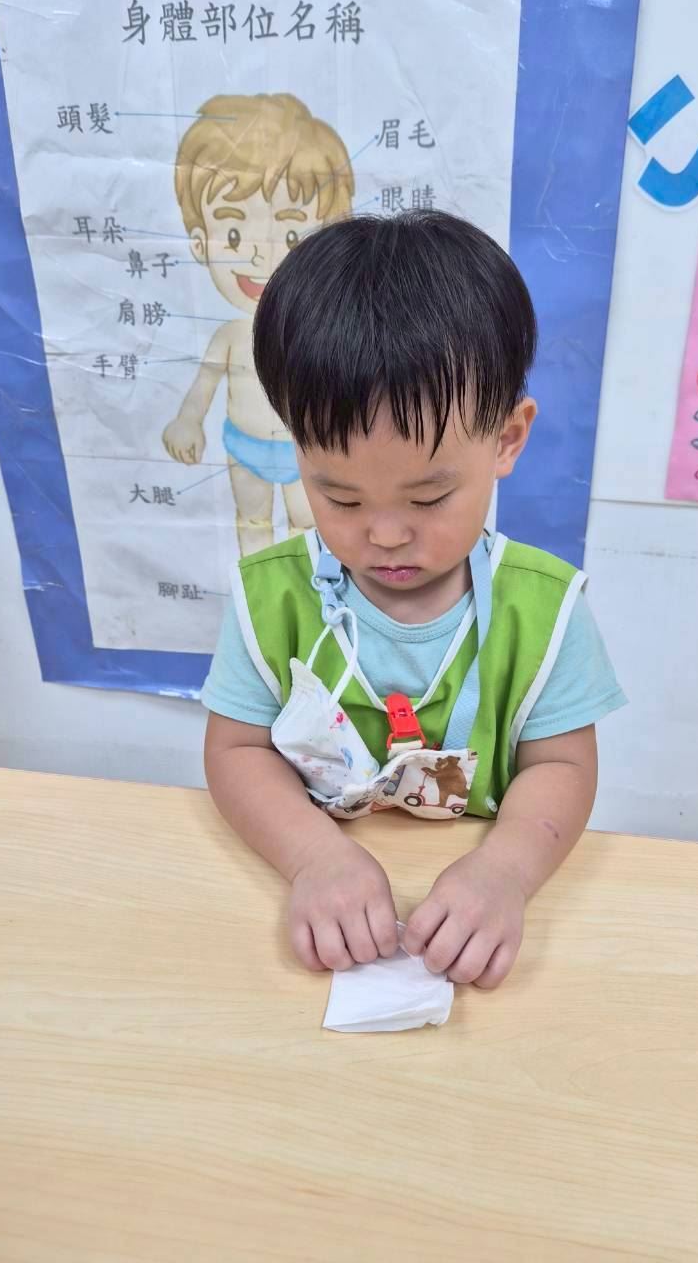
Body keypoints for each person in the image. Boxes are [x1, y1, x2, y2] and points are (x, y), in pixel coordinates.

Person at [202, 211, 625, 989]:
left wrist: (505, 874)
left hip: (470, 904)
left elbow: (563, 764)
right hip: (327, 905)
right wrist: (314, 858)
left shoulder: (543, 611)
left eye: (429, 498)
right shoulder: (272, 595)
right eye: (340, 497)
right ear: (296, 448)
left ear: (507, 439)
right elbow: (236, 752)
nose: (387, 535)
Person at [162, 93, 354, 554]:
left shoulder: (319, 334)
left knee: (307, 526)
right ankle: (258, 590)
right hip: (244, 445)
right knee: (252, 522)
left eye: (292, 235)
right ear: (199, 242)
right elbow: (205, 383)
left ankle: (305, 592)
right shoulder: (230, 337)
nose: (259, 257)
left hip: (306, 449)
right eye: (232, 233)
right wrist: (187, 421)